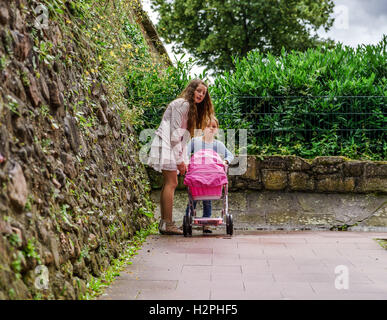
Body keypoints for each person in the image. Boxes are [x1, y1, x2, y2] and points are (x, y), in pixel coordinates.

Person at [147, 79, 215, 235]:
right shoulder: (181, 104)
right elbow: (174, 135)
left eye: (204, 93)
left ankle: (165, 223)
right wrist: (180, 161)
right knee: (171, 182)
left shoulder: (190, 108)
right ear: (191, 90)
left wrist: (182, 159)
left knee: (169, 182)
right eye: (199, 91)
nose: (201, 95)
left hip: (171, 145)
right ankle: (168, 224)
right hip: (167, 144)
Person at [185, 116, 234, 233]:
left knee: (208, 200)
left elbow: (230, 155)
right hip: (197, 176)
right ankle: (188, 219)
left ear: (217, 129)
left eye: (214, 126)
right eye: (208, 126)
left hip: (211, 177)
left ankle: (206, 224)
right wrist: (186, 162)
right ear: (202, 128)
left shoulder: (218, 144)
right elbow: (185, 153)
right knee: (193, 199)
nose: (211, 129)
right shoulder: (195, 142)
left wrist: (225, 161)